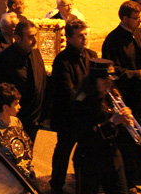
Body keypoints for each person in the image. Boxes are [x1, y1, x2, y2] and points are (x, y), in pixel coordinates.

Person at [102, 0, 141, 192]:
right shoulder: (113, 40)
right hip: (127, 95)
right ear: (125, 19)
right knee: (128, 142)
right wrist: (136, 74)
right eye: (136, 18)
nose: (139, 20)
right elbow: (113, 70)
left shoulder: (140, 33)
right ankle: (130, 180)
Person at [50, 19, 98, 193]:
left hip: (87, 115)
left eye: (85, 34)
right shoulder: (62, 61)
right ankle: (57, 184)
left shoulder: (92, 55)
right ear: (69, 38)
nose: (84, 38)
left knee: (86, 153)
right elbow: (68, 91)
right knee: (63, 150)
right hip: (68, 117)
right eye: (80, 36)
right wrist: (87, 100)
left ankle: (84, 182)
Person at [72, 58, 131, 194]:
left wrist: (126, 122)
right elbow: (85, 135)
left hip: (113, 159)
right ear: (93, 81)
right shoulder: (81, 102)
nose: (109, 84)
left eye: (110, 80)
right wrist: (112, 123)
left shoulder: (112, 96)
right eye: (104, 80)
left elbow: (118, 132)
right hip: (89, 160)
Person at [0, 20, 46, 141]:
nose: (35, 40)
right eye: (30, 37)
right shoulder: (4, 60)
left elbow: (41, 83)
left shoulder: (35, 53)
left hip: (33, 121)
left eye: (35, 35)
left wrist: (41, 117)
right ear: (17, 38)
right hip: (13, 122)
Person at [0, 83, 35, 179]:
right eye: (16, 104)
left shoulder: (16, 121)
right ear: (5, 107)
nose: (19, 107)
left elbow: (25, 145)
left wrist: (29, 166)